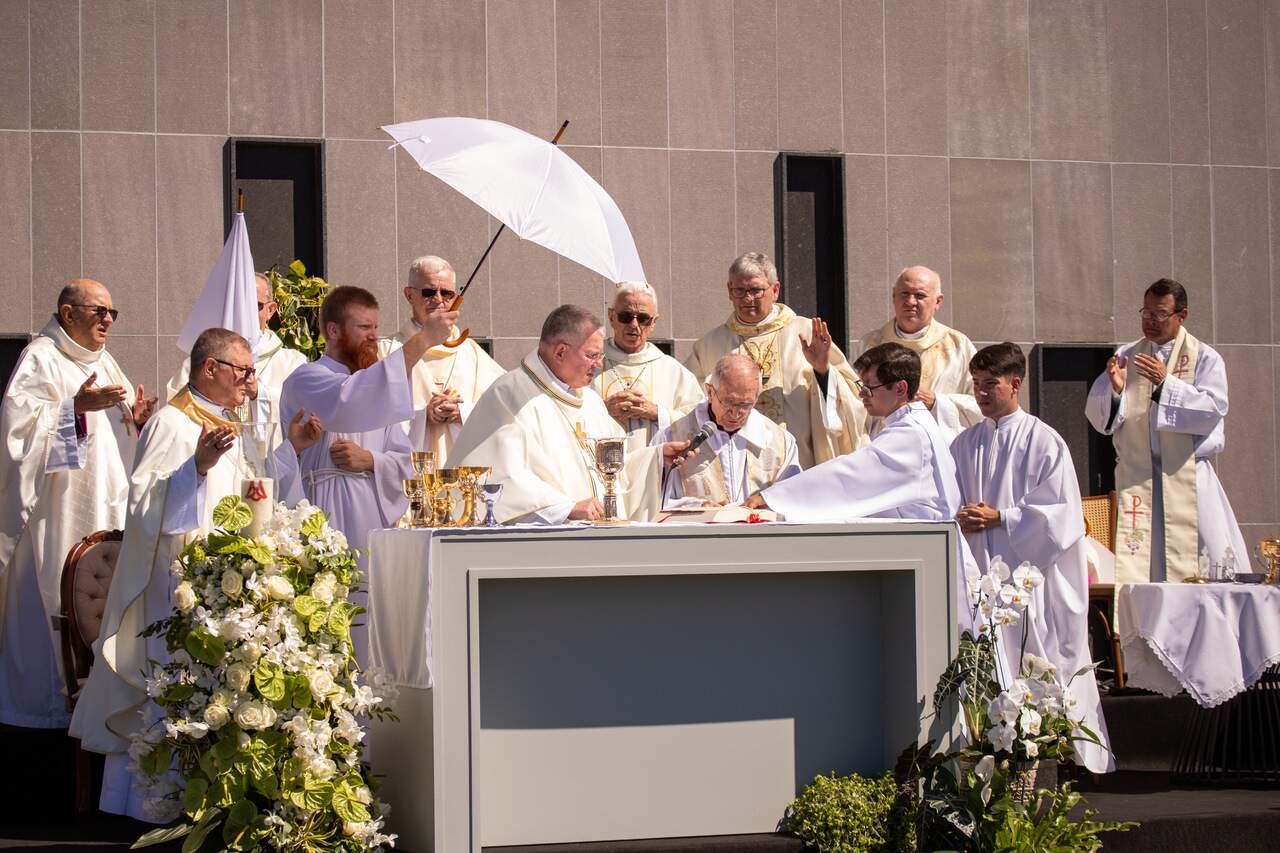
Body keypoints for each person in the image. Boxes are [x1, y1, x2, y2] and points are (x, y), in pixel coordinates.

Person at [70, 328, 317, 819]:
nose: (250, 381)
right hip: (175, 584)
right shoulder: (173, 423)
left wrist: (290, 447)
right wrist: (196, 469)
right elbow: (142, 503)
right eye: (243, 370)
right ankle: (157, 806)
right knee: (174, 684)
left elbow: (253, 488)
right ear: (210, 369)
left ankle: (212, 800)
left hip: (224, 582)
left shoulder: (224, 421)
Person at [0, 279, 156, 729]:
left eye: (112, 313)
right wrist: (72, 408)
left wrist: (138, 424)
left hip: (105, 503)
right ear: (67, 314)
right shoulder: (40, 359)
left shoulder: (106, 362)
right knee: (52, 596)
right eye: (98, 311)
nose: (107, 320)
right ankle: (46, 710)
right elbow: (15, 439)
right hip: (57, 509)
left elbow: (119, 438)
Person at [951, 343, 1113, 773]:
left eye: (990, 385)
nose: (981, 393)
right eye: (976, 385)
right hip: (979, 574)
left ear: (1015, 384)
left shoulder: (1044, 441)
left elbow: (1062, 515)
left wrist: (1001, 516)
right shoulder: (965, 443)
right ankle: (985, 755)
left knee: (1031, 660)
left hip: (1027, 578)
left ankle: (1047, 752)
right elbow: (948, 497)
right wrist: (960, 516)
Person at [280, 286, 457, 660]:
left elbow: (408, 462)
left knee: (373, 620)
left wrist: (371, 461)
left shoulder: (380, 390)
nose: (374, 336)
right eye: (363, 327)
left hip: (373, 518)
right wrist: (423, 339)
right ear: (332, 330)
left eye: (376, 327)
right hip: (324, 513)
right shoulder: (307, 379)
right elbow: (348, 399)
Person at [447, 305, 687, 523]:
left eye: (600, 356)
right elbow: (500, 478)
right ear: (560, 352)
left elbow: (612, 471)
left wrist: (656, 459)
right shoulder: (510, 397)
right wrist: (565, 508)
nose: (599, 364)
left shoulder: (590, 401)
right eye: (592, 356)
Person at [1085, 278, 1249, 584]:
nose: (1150, 322)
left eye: (1159, 314)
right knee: (1143, 568)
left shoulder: (1205, 358)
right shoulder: (1127, 355)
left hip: (1187, 477)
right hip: (1140, 481)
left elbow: (1211, 412)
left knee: (1207, 565)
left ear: (1181, 316)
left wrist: (1165, 384)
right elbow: (1099, 418)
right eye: (1145, 313)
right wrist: (1118, 392)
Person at [745, 343, 963, 524]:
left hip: (926, 547)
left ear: (900, 389)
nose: (861, 394)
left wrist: (774, 497)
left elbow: (848, 475)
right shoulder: (914, 422)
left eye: (869, 387)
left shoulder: (910, 434)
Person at [685, 252, 867, 468]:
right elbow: (690, 403)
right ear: (729, 291)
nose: (747, 298)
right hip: (736, 461)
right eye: (739, 290)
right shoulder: (710, 345)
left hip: (799, 460)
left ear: (775, 290)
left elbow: (856, 397)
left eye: (755, 290)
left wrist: (823, 371)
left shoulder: (806, 332)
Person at [378, 256, 506, 457]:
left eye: (447, 293)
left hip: (462, 476)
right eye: (429, 292)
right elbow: (370, 415)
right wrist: (422, 416)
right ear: (409, 295)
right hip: (408, 479)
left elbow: (504, 409)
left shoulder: (473, 353)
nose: (438, 299)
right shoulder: (387, 351)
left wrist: (462, 413)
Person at [654, 353, 800, 507]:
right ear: (710, 392)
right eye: (728, 402)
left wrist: (769, 500)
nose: (736, 413)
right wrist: (694, 507)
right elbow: (649, 502)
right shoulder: (672, 435)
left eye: (746, 405)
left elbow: (795, 498)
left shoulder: (780, 442)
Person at [165, 272, 308, 425]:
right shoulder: (203, 361)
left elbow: (304, 412)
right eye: (238, 305)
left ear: (271, 310)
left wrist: (259, 394)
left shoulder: (293, 363)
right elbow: (177, 411)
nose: (245, 314)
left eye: (254, 306)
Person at [859, 265, 980, 440]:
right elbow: (851, 401)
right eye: (904, 294)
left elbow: (981, 402)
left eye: (920, 295)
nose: (910, 302)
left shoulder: (958, 346)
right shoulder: (870, 345)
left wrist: (937, 402)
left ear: (938, 301)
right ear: (893, 296)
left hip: (937, 449)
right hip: (884, 447)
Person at [593, 281, 703, 454]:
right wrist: (602, 410)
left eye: (643, 318)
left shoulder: (672, 371)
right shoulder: (589, 363)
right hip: (599, 470)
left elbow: (698, 421)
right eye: (626, 316)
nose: (634, 325)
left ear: (653, 322)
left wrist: (658, 413)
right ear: (611, 316)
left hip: (653, 473)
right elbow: (565, 414)